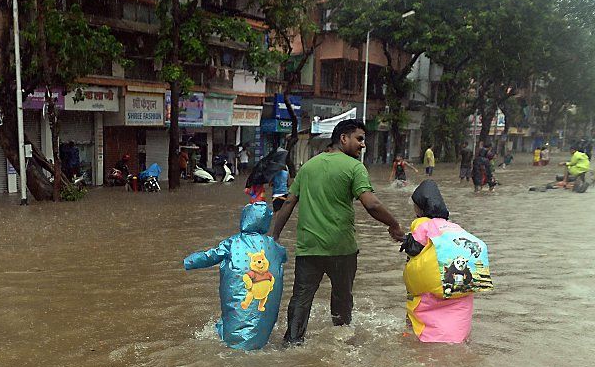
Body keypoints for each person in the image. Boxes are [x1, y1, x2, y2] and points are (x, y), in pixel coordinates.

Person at [270, 119, 404, 345]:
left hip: (308, 248)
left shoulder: (308, 167)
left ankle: (292, 342)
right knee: (342, 299)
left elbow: (287, 204)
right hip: (342, 248)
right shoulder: (354, 167)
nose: (363, 145)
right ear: (343, 138)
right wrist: (394, 224)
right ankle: (342, 341)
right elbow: (371, 204)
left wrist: (274, 237)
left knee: (301, 299)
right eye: (359, 139)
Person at [184, 202, 287, 350]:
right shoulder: (274, 246)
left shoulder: (232, 243)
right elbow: (283, 257)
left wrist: (188, 262)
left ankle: (234, 338)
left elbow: (209, 256)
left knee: (235, 323)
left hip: (241, 304)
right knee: (261, 314)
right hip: (264, 310)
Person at [400, 180, 491, 343]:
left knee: (421, 311)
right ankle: (459, 340)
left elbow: (413, 250)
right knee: (458, 313)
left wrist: (402, 239)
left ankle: (417, 338)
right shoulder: (454, 226)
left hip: (434, 286)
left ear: (420, 206)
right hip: (460, 284)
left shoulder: (422, 224)